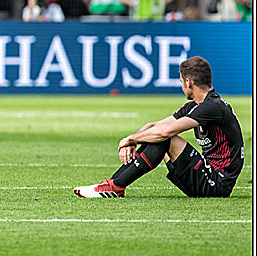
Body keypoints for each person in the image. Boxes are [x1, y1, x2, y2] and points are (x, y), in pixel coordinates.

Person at [75, 56, 244, 198]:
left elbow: (165, 132)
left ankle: (115, 186)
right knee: (156, 135)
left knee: (165, 137)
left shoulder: (212, 107)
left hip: (217, 183)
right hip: (206, 175)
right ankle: (113, 184)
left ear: (188, 82)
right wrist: (134, 139)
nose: (182, 86)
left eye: (181, 82)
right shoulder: (196, 105)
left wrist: (129, 139)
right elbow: (155, 125)